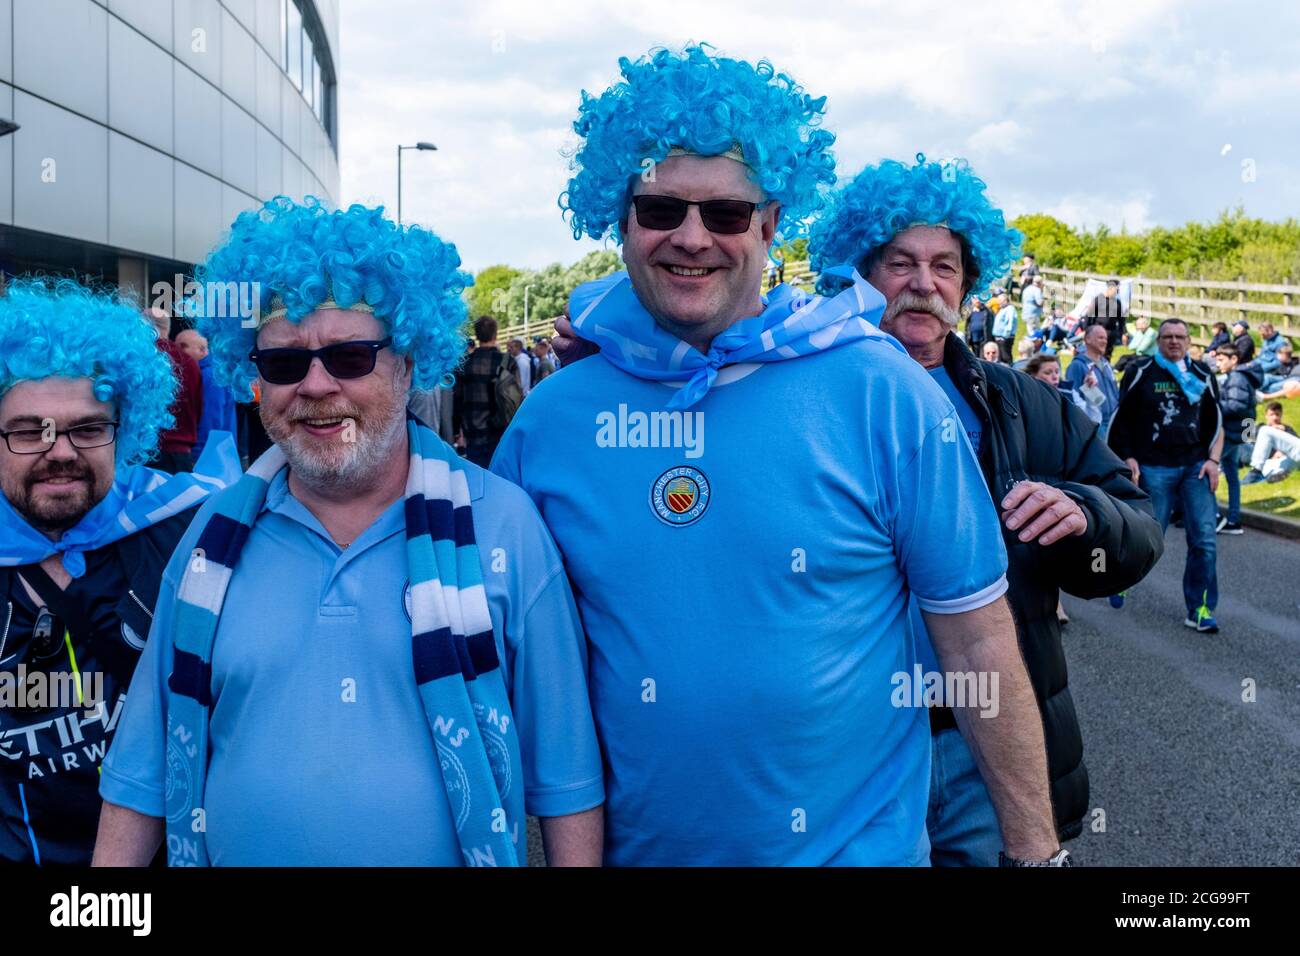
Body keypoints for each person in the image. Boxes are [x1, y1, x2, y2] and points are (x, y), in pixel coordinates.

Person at [506, 46, 1063, 867]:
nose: (691, 237)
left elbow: (977, 643)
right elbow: (520, 669)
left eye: (727, 215)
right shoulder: (552, 420)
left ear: (769, 225)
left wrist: (1037, 853)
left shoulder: (881, 391)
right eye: (661, 209)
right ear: (620, 220)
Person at [92, 198, 604, 867]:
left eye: (351, 356)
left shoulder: (503, 526)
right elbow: (143, 772)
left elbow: (566, 782)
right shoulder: (211, 537)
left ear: (409, 364)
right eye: (282, 363)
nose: (315, 385)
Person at [807, 154, 1161, 866]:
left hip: (988, 742)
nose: (922, 283)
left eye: (944, 266)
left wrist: (1085, 512)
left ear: (968, 285)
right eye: (900, 262)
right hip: (853, 746)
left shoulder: (1022, 401)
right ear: (861, 274)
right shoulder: (808, 398)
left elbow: (1137, 529)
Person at [0, 278, 238, 865]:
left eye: (87, 428)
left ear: (123, 429)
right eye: (29, 430)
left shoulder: (188, 533)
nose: (59, 451)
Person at [1108, 319, 1223, 632]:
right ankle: (1122, 576)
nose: (1174, 342)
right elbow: (1122, 420)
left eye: (1180, 337)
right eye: (1168, 337)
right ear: (1158, 340)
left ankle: (1200, 608)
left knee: (1204, 541)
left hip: (1196, 467)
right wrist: (1127, 457)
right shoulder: (1140, 371)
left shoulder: (1202, 373)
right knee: (1147, 536)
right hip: (1154, 466)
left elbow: (1217, 421)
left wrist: (1214, 460)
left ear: (1188, 340)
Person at [453, 316, 522, 468]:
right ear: (495, 334)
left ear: (477, 336)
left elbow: (457, 399)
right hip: (501, 430)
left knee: (477, 478)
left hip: (473, 430)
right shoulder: (507, 361)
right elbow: (517, 396)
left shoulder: (464, 363)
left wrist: (455, 429)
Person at [143, 308, 203, 473]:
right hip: (181, 454)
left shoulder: (138, 359)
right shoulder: (190, 363)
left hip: (144, 453)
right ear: (167, 328)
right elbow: (197, 409)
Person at [1213, 343, 1262, 534]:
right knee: (1232, 477)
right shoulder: (1239, 376)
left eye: (1221, 359)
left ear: (1234, 359)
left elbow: (1236, 406)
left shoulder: (1237, 378)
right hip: (1236, 433)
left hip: (1230, 433)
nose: (1218, 364)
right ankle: (1233, 520)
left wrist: (1214, 405)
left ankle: (1216, 517)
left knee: (1203, 472)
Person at [175, 328, 237, 462]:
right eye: (176, 346)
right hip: (218, 454)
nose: (177, 351)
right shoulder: (212, 371)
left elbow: (211, 420)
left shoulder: (209, 376)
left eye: (183, 346)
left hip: (209, 458)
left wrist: (196, 457)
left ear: (202, 350)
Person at [1063, 324, 1120, 437]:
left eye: (1105, 338)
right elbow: (1073, 400)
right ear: (1087, 339)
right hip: (1095, 427)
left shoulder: (1106, 364)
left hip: (1114, 423)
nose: (1104, 341)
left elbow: (1115, 392)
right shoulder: (1077, 366)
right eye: (1100, 338)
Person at [1242, 402, 1299, 484]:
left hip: (1281, 459)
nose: (1275, 418)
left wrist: (1284, 433)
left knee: (1277, 464)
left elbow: (1294, 449)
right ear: (1266, 416)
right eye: (1272, 415)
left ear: (1281, 415)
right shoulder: (1260, 428)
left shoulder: (1287, 429)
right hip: (1262, 457)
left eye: (1277, 414)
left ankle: (1261, 474)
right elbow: (1247, 439)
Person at [1082, 279, 1126, 360]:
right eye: (1116, 289)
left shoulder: (1117, 303)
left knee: (1107, 354)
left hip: (1111, 332)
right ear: (1110, 288)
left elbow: (1121, 320)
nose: (1117, 291)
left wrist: (1123, 333)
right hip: (1099, 330)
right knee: (1097, 352)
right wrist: (1086, 330)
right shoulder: (1098, 299)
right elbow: (1088, 315)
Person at [991, 291, 1018, 364]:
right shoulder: (1002, 309)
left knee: (1005, 356)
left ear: (1005, 301)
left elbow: (1011, 322)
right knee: (1001, 357)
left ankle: (1011, 370)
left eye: (1000, 301)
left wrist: (1006, 335)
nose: (998, 302)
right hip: (999, 337)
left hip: (1004, 338)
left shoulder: (1010, 309)